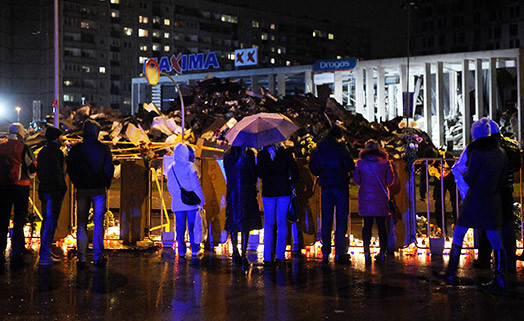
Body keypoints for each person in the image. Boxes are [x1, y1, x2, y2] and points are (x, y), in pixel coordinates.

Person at [436, 118, 507, 291]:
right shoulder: (501, 152)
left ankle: (451, 273)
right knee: (495, 237)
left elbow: (470, 176)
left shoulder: (477, 152)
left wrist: (464, 175)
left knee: (459, 232)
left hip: (475, 198)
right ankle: (499, 278)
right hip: (492, 198)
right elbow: (503, 178)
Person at [474, 120, 521, 272]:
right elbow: (517, 167)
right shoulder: (513, 146)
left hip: (490, 190)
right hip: (507, 190)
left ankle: (484, 259)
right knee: (507, 225)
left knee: (487, 225)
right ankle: (510, 262)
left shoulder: (488, 147)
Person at [67, 120, 114, 268]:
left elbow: (70, 168)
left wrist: (76, 182)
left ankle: (81, 257)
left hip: (82, 189)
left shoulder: (76, 149)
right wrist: (106, 183)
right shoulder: (103, 148)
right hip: (99, 188)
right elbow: (109, 168)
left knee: (81, 222)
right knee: (99, 221)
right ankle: (98, 255)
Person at [309, 125, 355, 264]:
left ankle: (326, 251)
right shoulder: (340, 147)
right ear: (338, 136)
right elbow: (349, 165)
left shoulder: (318, 148)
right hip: (340, 185)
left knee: (326, 219)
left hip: (326, 187)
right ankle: (340, 251)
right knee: (341, 219)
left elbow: (314, 167)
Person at [0, 123, 37, 267]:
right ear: (21, 133)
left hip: (3, 186)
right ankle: (17, 250)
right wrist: (30, 176)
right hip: (21, 186)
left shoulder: (2, 146)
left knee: (3, 218)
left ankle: (1, 250)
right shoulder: (23, 147)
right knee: (19, 218)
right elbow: (32, 166)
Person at [257, 143, 298, 268]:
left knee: (269, 223)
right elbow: (295, 171)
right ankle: (280, 256)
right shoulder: (285, 152)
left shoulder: (262, 154)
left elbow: (259, 173)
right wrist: (291, 183)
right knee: (282, 222)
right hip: (283, 190)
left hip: (268, 192)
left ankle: (267, 257)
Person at [353, 140, 394, 264]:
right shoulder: (385, 163)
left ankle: (366, 252)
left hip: (366, 197)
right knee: (382, 226)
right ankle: (382, 252)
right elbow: (390, 180)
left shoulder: (360, 163)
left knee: (367, 225)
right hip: (381, 197)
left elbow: (357, 181)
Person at [224, 146, 261, 269]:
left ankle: (235, 251)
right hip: (246, 192)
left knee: (233, 222)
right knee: (246, 224)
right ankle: (244, 253)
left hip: (232, 192)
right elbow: (253, 174)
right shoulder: (248, 154)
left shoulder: (227, 155)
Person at [167, 143, 205, 259]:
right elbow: (195, 185)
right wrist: (201, 199)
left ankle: (181, 250)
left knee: (180, 227)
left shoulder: (170, 167)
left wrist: (177, 196)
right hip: (191, 203)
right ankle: (194, 249)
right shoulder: (189, 166)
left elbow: (170, 186)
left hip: (177, 203)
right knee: (193, 226)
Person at [37, 127, 67, 266]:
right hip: (53, 191)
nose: (63, 139)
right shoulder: (55, 152)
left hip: (44, 189)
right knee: (50, 222)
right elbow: (57, 173)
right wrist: (62, 187)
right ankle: (44, 255)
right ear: (56, 138)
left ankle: (46, 250)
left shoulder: (43, 151)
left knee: (47, 221)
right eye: (61, 137)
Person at [420, 149, 458, 234]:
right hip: (439, 179)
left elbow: (455, 166)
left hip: (451, 178)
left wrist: (447, 171)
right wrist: (422, 193)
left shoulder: (446, 155)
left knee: (455, 201)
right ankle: (442, 228)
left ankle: (457, 224)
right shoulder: (427, 163)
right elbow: (424, 178)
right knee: (439, 202)